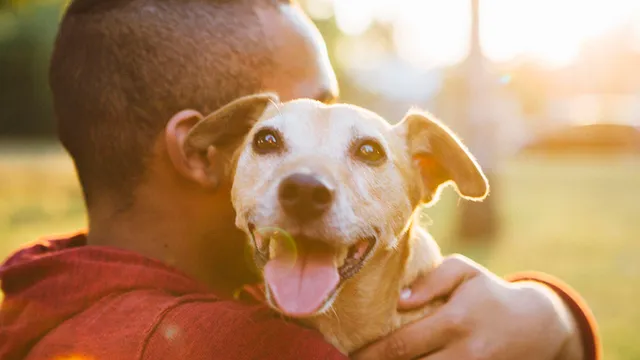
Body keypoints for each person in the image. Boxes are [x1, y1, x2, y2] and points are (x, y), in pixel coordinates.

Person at [0, 0, 599, 359]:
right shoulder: (245, 346)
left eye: (361, 148)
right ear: (208, 150)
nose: (311, 178)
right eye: (275, 135)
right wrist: (557, 327)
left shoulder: (54, 291)